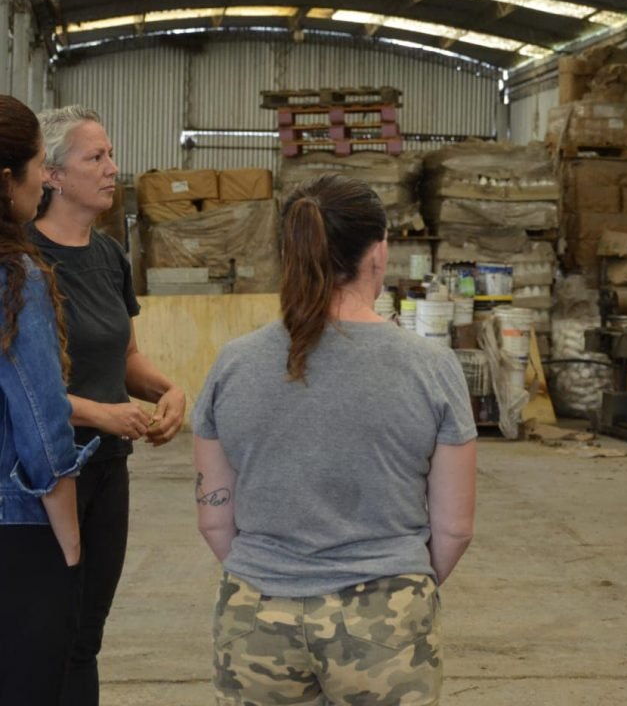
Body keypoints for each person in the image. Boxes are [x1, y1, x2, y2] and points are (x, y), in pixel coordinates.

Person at [193, 173, 477, 706]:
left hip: (255, 614)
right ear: (379, 254)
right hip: (384, 613)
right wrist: (397, 584)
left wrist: (273, 573)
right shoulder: (431, 367)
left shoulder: (234, 364)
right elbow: (455, 528)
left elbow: (213, 516)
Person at [28, 105, 187, 706]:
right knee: (42, 632)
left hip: (106, 469)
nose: (112, 169)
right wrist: (99, 413)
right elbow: (17, 385)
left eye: (110, 154)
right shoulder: (22, 261)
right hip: (39, 475)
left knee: (86, 636)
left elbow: (125, 359)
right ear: (52, 174)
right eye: (95, 158)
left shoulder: (111, 257)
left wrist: (167, 391)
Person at [0, 95, 98, 703]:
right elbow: (41, 424)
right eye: (38, 165)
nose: (43, 180)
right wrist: (69, 540)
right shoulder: (16, 278)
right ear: (6, 178)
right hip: (16, 530)